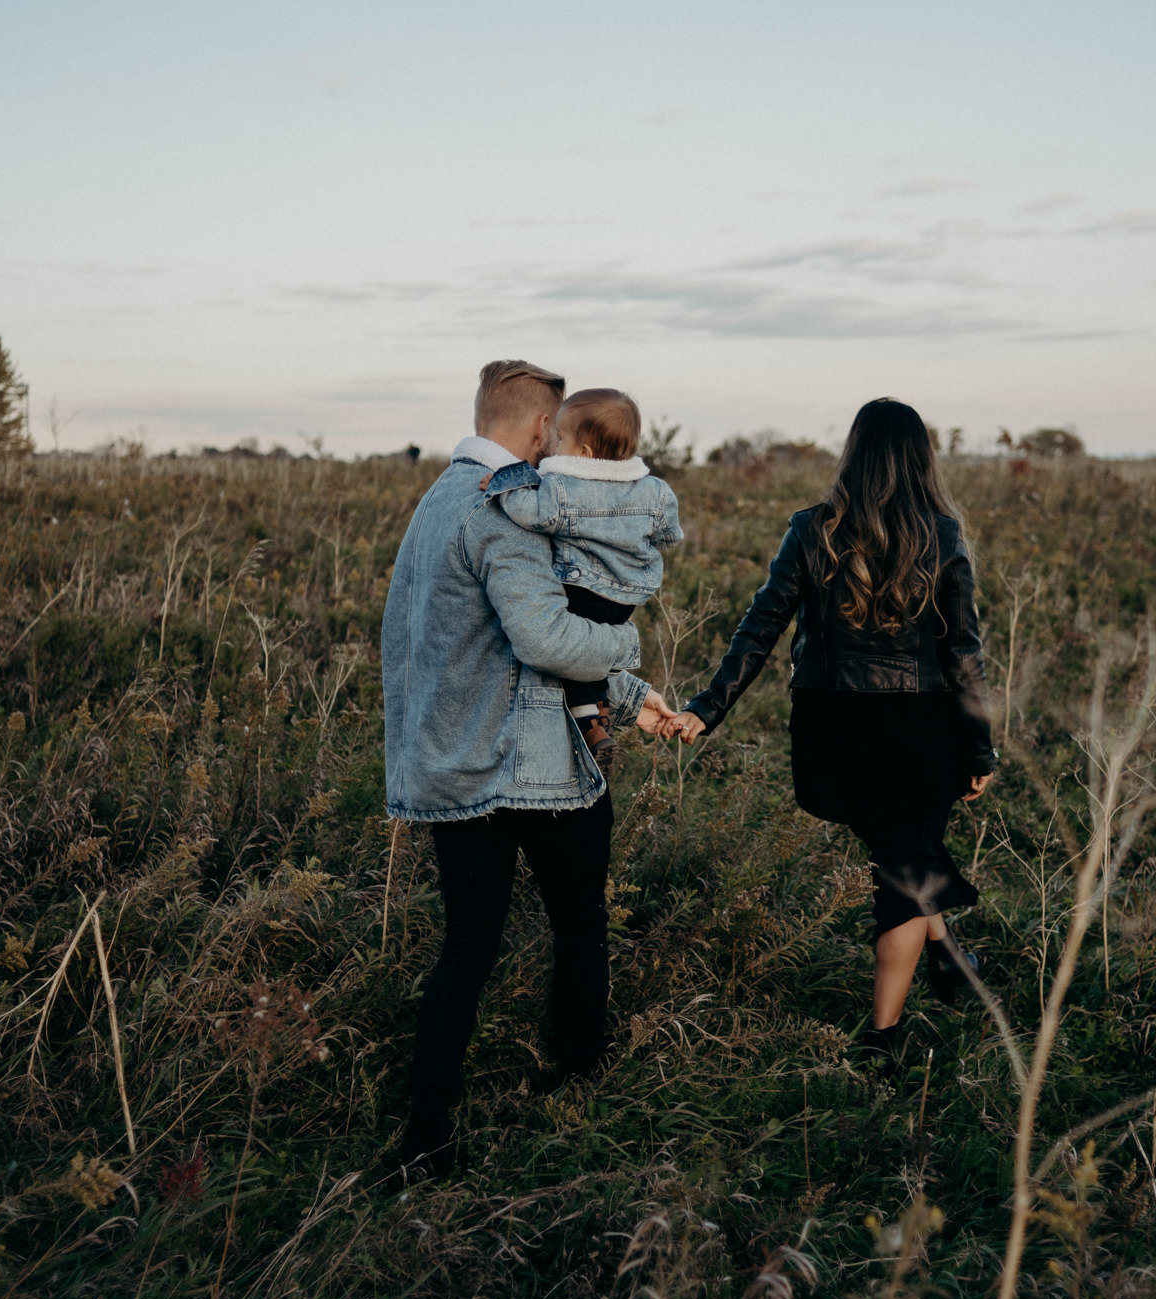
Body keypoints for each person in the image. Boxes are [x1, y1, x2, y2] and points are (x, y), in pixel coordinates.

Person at [382, 359, 680, 1182]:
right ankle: (581, 1081)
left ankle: (428, 1127)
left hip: (453, 766)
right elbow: (547, 643)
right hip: (535, 769)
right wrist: (627, 650)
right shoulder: (503, 512)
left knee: (466, 947)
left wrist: (629, 695)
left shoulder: (435, 504)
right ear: (544, 429)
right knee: (579, 922)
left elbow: (475, 643)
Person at [669, 397, 997, 1073]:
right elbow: (963, 654)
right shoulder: (943, 534)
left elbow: (760, 626)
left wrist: (709, 706)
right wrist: (979, 747)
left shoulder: (811, 529)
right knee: (906, 871)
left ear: (853, 453)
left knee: (904, 855)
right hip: (919, 727)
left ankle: (948, 958)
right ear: (920, 458)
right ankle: (881, 1037)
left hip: (831, 729)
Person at [482, 388, 683, 764]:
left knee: (571, 654)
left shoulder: (563, 488)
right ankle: (604, 714)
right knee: (591, 649)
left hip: (582, 589)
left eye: (561, 439)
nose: (554, 446)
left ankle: (591, 725)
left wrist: (503, 487)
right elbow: (671, 535)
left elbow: (533, 513)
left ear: (585, 454)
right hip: (627, 600)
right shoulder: (656, 490)